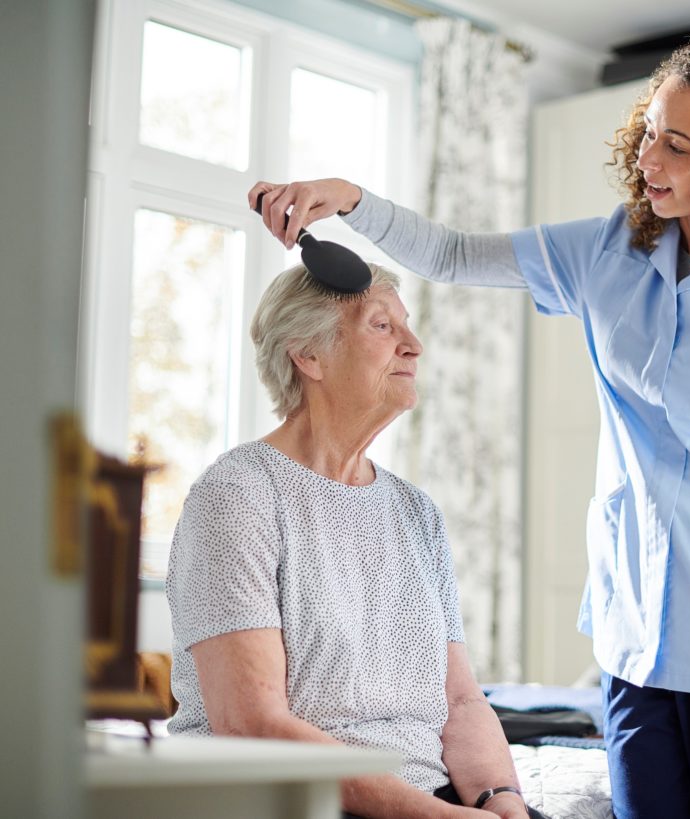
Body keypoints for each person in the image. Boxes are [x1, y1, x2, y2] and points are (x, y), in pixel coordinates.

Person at [249, 34, 690, 819]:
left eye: (676, 144)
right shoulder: (611, 249)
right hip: (634, 637)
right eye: (648, 131)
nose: (648, 157)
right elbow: (450, 253)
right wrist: (350, 200)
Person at [166, 262, 547, 819]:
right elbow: (250, 723)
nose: (413, 346)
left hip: (422, 799)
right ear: (309, 355)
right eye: (382, 326)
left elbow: (462, 701)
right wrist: (442, 817)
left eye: (407, 326)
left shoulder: (416, 512)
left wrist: (502, 800)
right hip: (293, 798)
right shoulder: (238, 494)